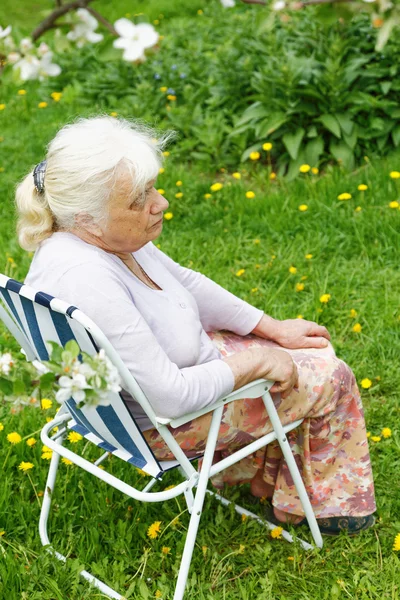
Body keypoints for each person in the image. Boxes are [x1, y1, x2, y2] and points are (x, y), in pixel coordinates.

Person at [17, 116, 376, 534]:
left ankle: (267, 479)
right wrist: (258, 360)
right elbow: (171, 398)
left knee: (304, 352)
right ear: (89, 218)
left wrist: (271, 327)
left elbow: (183, 281)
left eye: (151, 187)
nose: (161, 203)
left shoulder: (93, 240)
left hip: (160, 390)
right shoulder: (88, 279)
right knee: (331, 374)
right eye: (139, 198)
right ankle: (329, 509)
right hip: (166, 426)